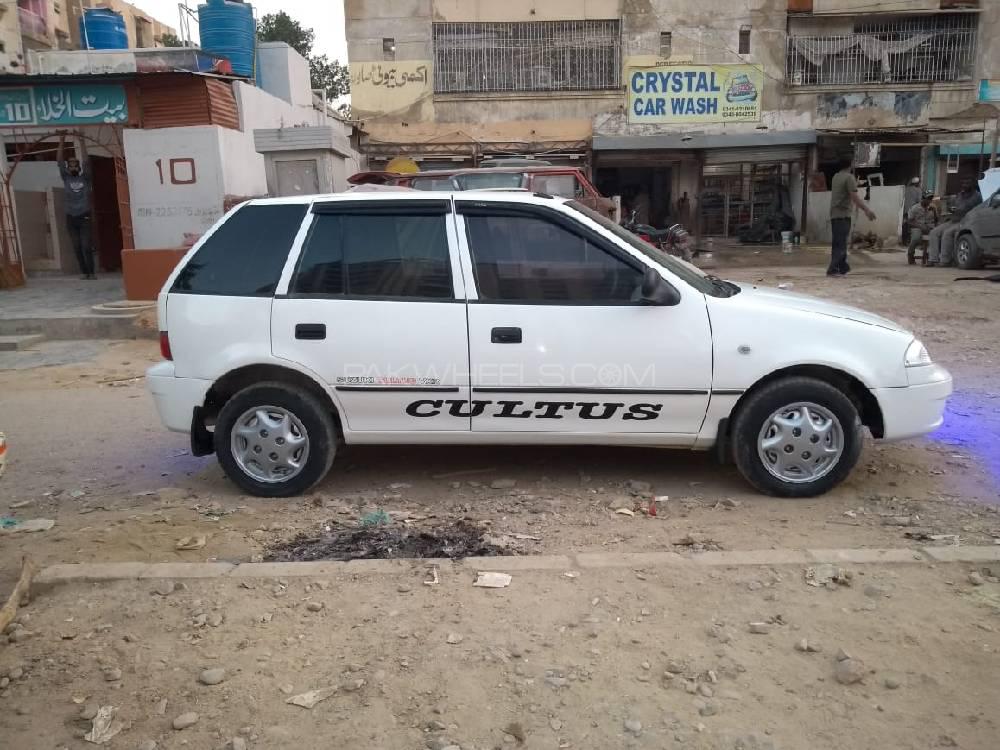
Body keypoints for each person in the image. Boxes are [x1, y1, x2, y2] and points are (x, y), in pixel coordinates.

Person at [56, 131, 95, 279]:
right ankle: (84, 273)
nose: (72, 166)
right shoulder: (65, 178)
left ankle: (91, 272)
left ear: (78, 167)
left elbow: (86, 161)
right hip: (71, 217)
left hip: (84, 215)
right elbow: (59, 161)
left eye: (74, 164)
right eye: (70, 164)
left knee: (86, 246)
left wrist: (82, 142)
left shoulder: (85, 178)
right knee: (77, 247)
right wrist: (61, 140)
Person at [828, 156, 876, 277]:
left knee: (838, 241)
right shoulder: (849, 178)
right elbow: (854, 197)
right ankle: (833, 269)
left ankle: (843, 267)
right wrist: (867, 210)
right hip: (843, 214)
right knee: (841, 242)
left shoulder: (836, 176)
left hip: (835, 213)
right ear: (850, 164)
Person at [926, 177, 982, 267]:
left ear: (973, 185)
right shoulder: (960, 195)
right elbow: (953, 205)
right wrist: (951, 208)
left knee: (947, 233)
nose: (964, 185)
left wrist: (957, 209)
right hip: (954, 220)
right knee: (934, 232)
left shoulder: (977, 196)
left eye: (967, 183)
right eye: (963, 183)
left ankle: (945, 261)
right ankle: (933, 259)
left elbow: (968, 208)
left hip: (966, 221)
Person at [906, 191, 937, 265]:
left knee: (937, 236)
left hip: (930, 227)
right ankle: (910, 254)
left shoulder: (933, 207)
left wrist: (935, 212)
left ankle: (933, 258)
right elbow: (909, 221)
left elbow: (936, 221)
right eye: (928, 199)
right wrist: (920, 226)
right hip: (917, 226)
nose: (930, 201)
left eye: (931, 199)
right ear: (923, 199)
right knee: (916, 238)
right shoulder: (915, 208)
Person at [902, 176, 921, 243]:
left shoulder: (906, 189)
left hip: (905, 210)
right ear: (917, 183)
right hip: (913, 210)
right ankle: (912, 240)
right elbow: (919, 201)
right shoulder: (918, 190)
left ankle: (904, 240)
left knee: (905, 224)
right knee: (914, 225)